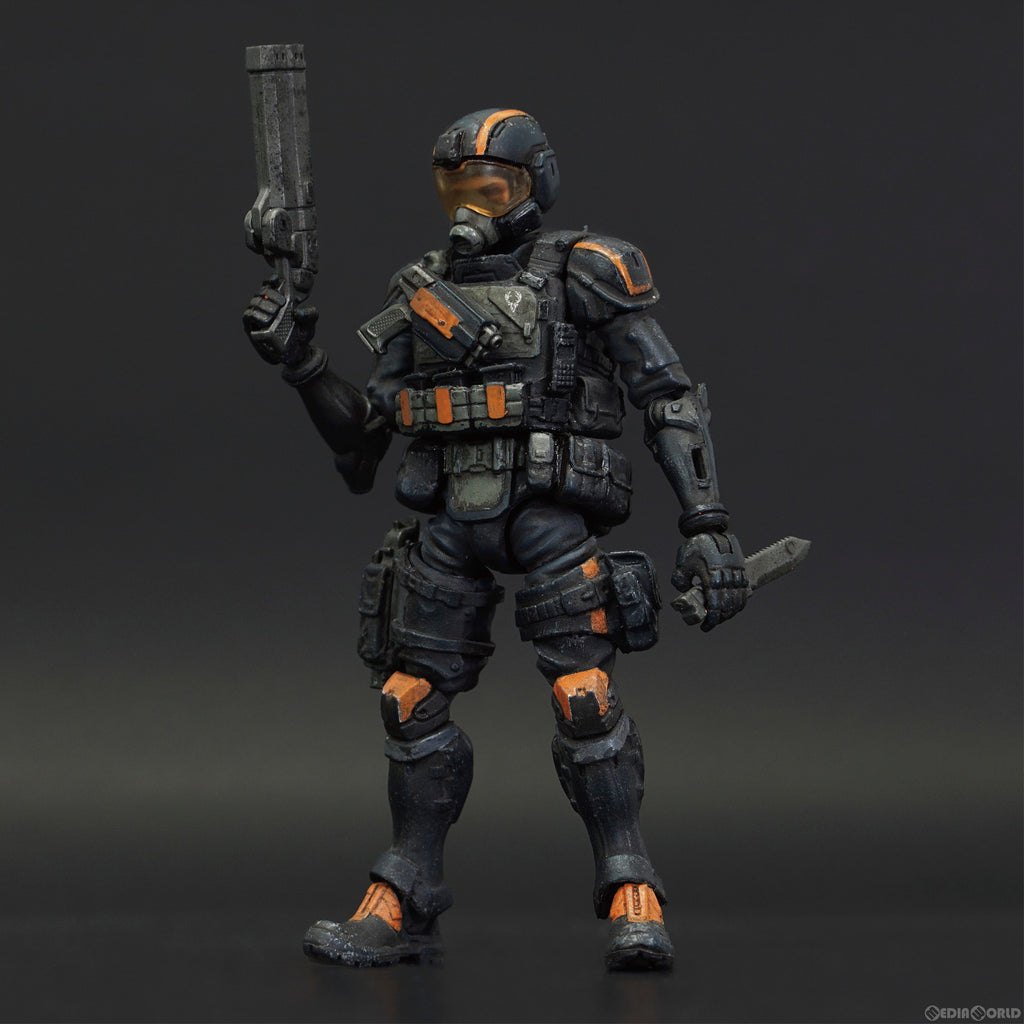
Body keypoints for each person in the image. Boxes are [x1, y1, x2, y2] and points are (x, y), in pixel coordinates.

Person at [243, 108, 748, 971]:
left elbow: (666, 395)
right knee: (406, 700)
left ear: (534, 185)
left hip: (549, 517)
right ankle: (405, 895)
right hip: (451, 521)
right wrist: (303, 364)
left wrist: (706, 522)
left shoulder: (585, 270)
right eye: (455, 191)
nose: (470, 208)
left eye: (490, 188)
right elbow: (364, 441)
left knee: (584, 698)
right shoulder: (422, 291)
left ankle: (632, 891)